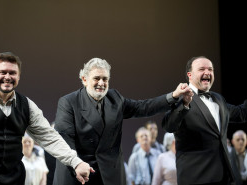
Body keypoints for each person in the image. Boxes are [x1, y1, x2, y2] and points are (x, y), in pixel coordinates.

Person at [0, 52, 93, 185]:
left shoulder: (27, 105)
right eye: (3, 72)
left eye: (12, 73)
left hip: (15, 179)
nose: (7, 76)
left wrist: (76, 162)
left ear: (19, 77)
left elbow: (49, 137)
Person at [53, 58, 190, 185]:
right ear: (84, 79)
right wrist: (76, 164)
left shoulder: (115, 98)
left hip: (110, 176)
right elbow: (65, 139)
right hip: (79, 174)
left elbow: (143, 107)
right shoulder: (68, 102)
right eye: (96, 78)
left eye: (105, 79)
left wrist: (173, 96)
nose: (101, 83)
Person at [162, 56, 247, 185]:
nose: (207, 72)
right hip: (196, 178)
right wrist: (184, 103)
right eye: (202, 69)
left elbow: (241, 113)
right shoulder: (181, 98)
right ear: (189, 75)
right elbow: (169, 125)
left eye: (210, 69)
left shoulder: (218, 99)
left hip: (224, 177)